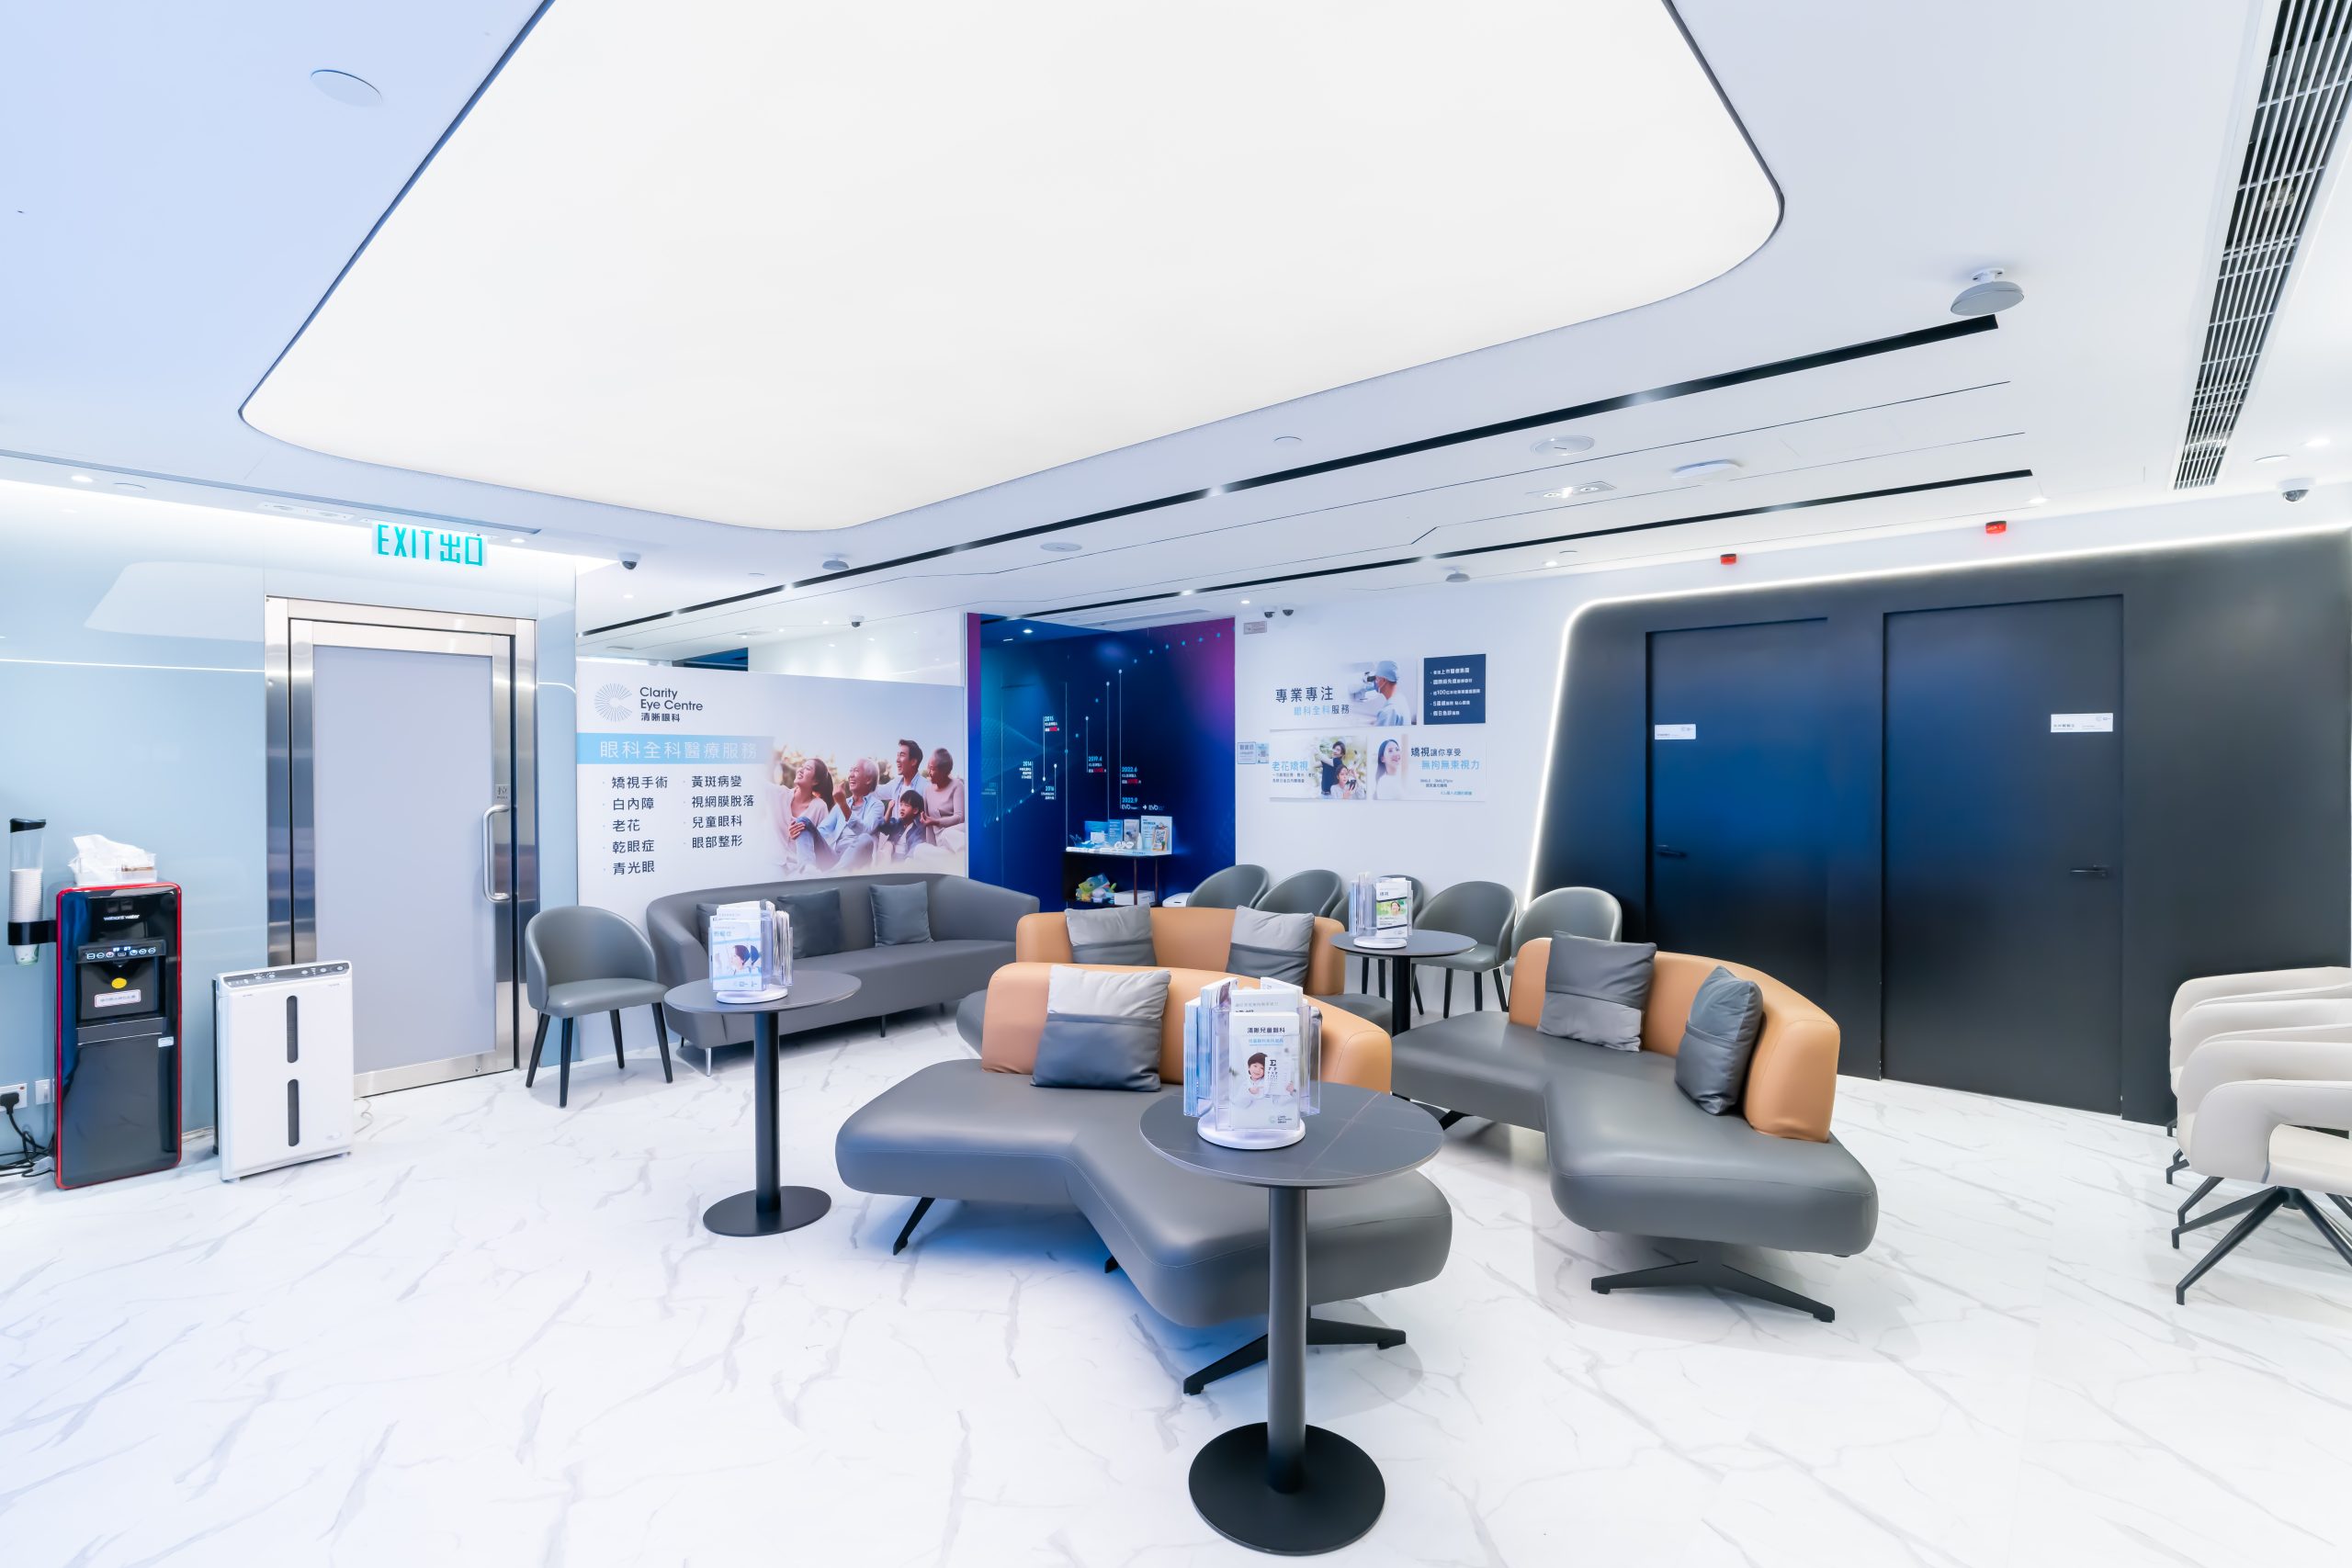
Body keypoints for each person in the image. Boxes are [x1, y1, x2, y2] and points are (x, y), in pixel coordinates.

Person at [776, 757, 842, 876]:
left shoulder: (820, 807)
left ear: (815, 781)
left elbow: (823, 843)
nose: (800, 770)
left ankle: (807, 869)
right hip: (781, 864)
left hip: (806, 866)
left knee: (803, 822)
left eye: (807, 768)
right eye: (801, 767)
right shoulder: (782, 795)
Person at [831, 758, 888, 871]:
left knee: (865, 838)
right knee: (805, 823)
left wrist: (843, 805)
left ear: (868, 779)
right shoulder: (842, 804)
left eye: (856, 771)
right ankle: (807, 870)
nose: (850, 775)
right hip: (833, 856)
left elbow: (865, 831)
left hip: (855, 859)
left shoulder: (877, 805)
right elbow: (824, 830)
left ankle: (831, 875)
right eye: (850, 771)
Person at [919, 747, 967, 853]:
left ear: (943, 772)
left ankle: (966, 855)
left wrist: (936, 822)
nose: (929, 772)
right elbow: (928, 825)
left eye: (932, 769)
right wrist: (931, 847)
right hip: (941, 842)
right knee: (919, 850)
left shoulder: (957, 785)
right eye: (928, 767)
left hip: (956, 835)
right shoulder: (927, 791)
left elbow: (959, 817)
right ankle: (955, 857)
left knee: (947, 833)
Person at [879, 791, 930, 862]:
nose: (902, 808)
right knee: (888, 845)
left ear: (915, 810)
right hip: (890, 858)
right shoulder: (898, 823)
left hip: (904, 859)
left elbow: (915, 848)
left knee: (912, 855)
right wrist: (889, 809)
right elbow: (883, 827)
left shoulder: (919, 829)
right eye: (901, 805)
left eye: (906, 805)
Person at [877, 739, 925, 812]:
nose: (897, 760)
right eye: (897, 755)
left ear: (913, 762)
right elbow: (875, 792)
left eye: (902, 755)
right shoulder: (895, 783)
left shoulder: (926, 788)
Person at [1364, 660, 1410, 727]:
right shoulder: (1401, 699)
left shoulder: (1388, 712)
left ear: (1383, 680)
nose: (1374, 682)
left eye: (1376, 679)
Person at [1372, 737, 1407, 801]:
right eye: (1390, 751)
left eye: (1397, 750)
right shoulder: (1384, 783)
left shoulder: (1398, 778)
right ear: (1383, 759)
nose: (1396, 753)